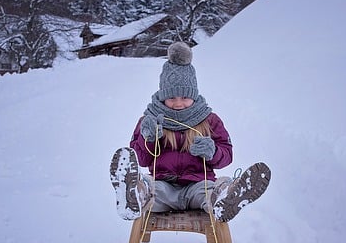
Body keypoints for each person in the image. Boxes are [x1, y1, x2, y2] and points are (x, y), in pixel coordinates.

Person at [110, 41, 270, 222]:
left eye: (185, 97)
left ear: (193, 95)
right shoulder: (150, 120)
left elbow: (227, 155)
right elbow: (142, 159)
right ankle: (134, 195)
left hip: (198, 185)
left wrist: (213, 152)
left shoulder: (209, 120)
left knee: (210, 192)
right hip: (163, 186)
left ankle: (226, 197)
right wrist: (149, 139)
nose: (178, 103)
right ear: (163, 97)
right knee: (150, 189)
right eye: (171, 97)